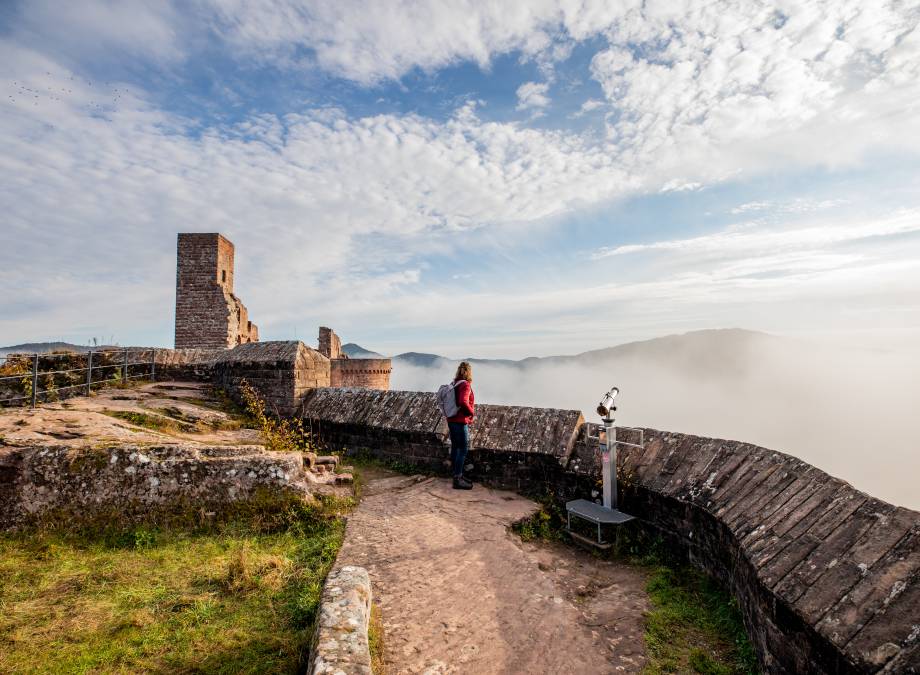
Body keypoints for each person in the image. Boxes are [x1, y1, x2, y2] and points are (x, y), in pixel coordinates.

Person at [447, 361, 475, 490]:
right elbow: (463, 402)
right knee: (463, 449)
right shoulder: (465, 385)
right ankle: (457, 479)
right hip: (460, 420)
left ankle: (456, 474)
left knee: (455, 447)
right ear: (469, 372)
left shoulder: (455, 383)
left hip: (451, 419)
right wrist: (471, 412)